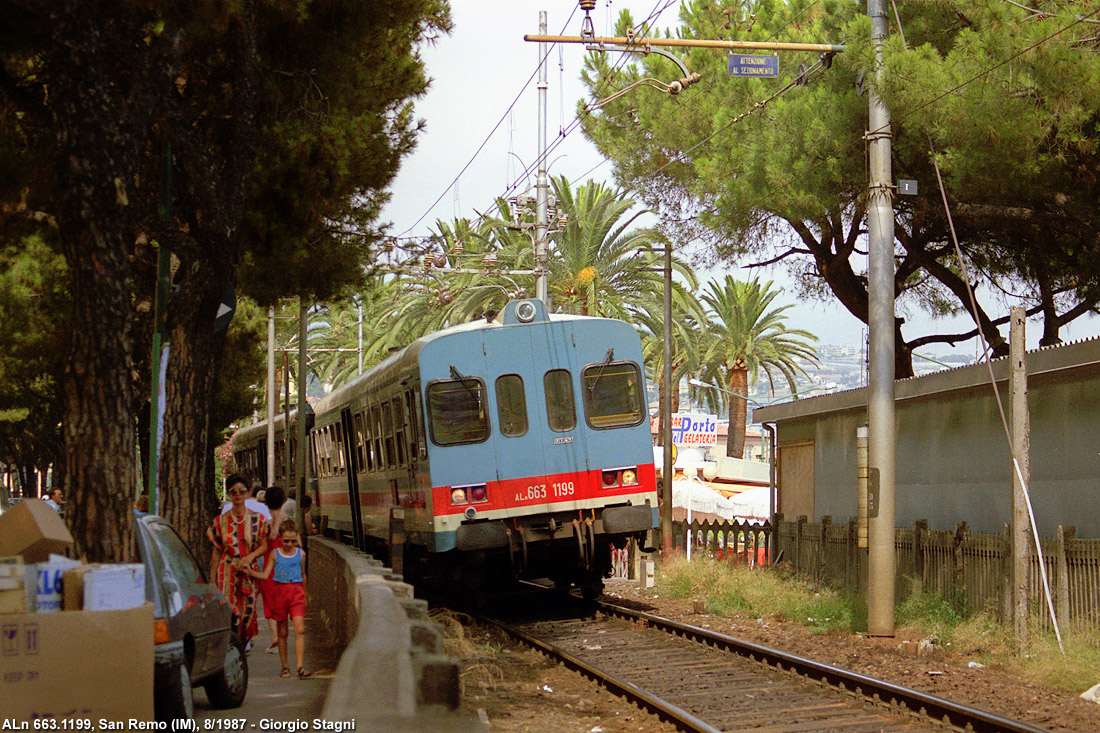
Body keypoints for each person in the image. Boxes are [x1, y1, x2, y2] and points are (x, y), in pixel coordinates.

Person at [207, 473, 270, 646]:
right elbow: (216, 551)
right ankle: (232, 646)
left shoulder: (258, 520)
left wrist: (250, 557)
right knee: (231, 611)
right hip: (227, 568)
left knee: (247, 614)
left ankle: (241, 644)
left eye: (241, 491)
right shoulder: (220, 522)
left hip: (249, 570)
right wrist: (212, 579)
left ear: (248, 493)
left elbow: (264, 546)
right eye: (233, 492)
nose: (238, 495)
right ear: (229, 494)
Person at [246, 519, 310, 679]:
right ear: (280, 538)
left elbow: (303, 575)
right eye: (286, 540)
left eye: (293, 541)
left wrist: (305, 594)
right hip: (280, 592)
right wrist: (250, 571)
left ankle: (300, 666)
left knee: (299, 629)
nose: (289, 544)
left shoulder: (301, 554)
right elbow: (266, 574)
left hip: (296, 591)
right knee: (282, 632)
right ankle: (285, 666)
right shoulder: (275, 554)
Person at [258, 486, 288, 653]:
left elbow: (270, 536)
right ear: (283, 500)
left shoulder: (263, 518)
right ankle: (279, 637)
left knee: (269, 599)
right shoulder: (285, 518)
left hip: (267, 560)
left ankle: (274, 637)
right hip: (282, 560)